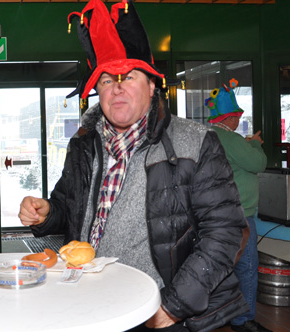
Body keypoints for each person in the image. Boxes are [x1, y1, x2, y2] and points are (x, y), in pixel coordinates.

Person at [19, 1, 250, 331]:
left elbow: (225, 233)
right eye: (106, 80)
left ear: (153, 85)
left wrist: (172, 307)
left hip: (159, 312)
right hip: (88, 302)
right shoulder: (82, 146)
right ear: (97, 91)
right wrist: (45, 213)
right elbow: (67, 209)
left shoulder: (195, 143)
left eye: (129, 76)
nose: (117, 88)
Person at [206, 81, 270, 332]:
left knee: (220, 266)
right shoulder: (230, 139)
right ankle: (242, 320)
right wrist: (254, 143)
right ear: (231, 118)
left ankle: (218, 314)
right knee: (246, 267)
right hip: (238, 214)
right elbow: (258, 163)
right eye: (237, 117)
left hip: (215, 212)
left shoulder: (208, 135)